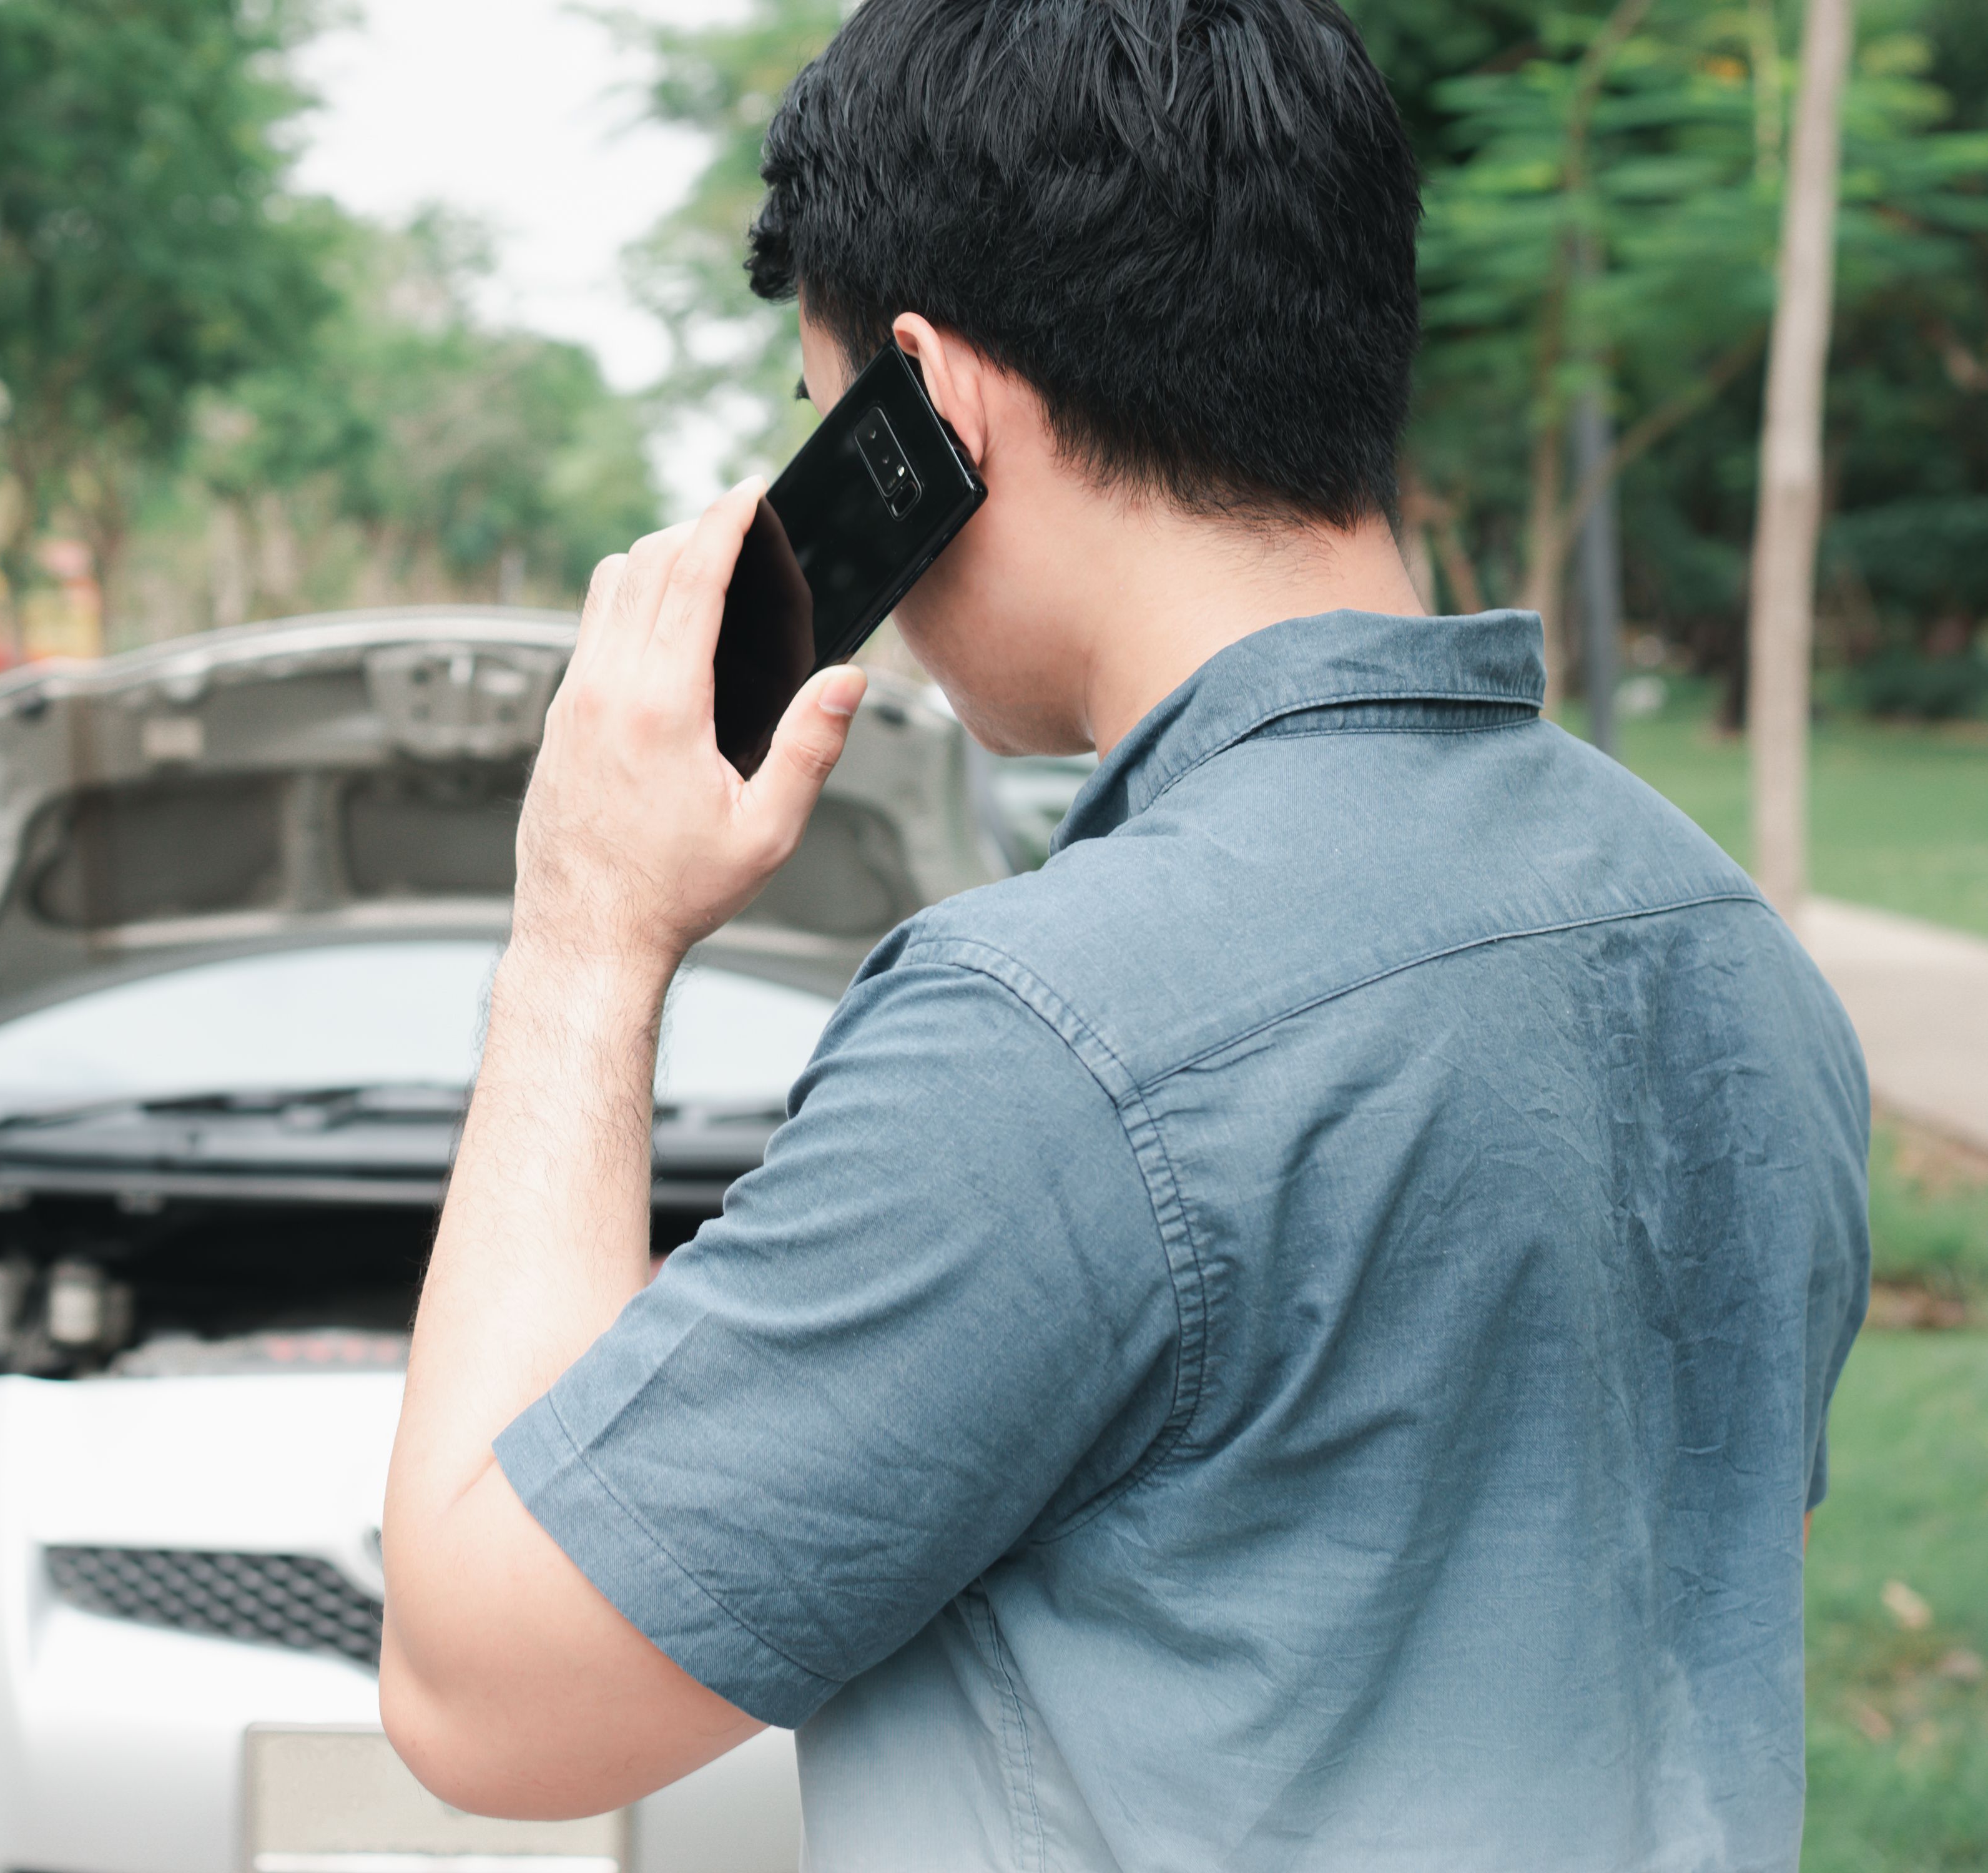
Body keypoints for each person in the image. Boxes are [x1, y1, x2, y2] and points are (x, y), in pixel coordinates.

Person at [378, 0, 1871, 1865]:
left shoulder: (1048, 1037)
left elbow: (481, 1696)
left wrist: (585, 933)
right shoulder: (1723, 944)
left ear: (936, 402)